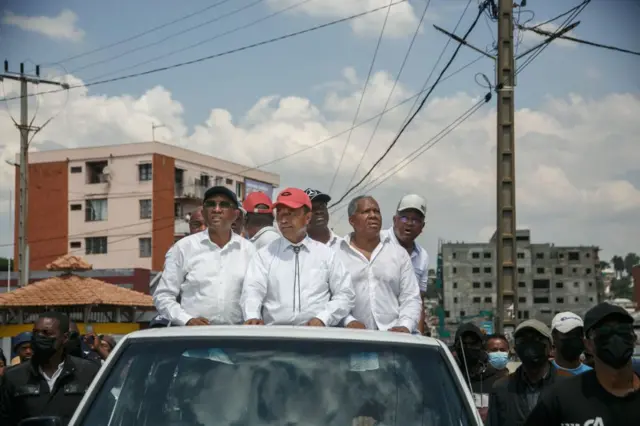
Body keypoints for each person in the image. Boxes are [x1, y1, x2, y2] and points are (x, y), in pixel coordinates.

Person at [241, 187, 355, 326]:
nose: (283, 220)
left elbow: (345, 294)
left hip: (316, 337)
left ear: (307, 217)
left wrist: (323, 318)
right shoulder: (264, 255)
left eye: (290, 214)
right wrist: (252, 315)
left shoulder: (326, 255)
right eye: (280, 215)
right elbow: (252, 291)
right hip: (275, 337)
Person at [154, 186, 257, 326]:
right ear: (203, 212)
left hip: (236, 338)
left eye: (224, 205)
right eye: (210, 204)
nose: (216, 209)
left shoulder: (250, 251)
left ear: (235, 214)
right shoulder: (184, 248)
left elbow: (256, 293)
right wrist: (186, 320)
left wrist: (252, 317)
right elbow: (163, 296)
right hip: (195, 339)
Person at [525, 303, 640, 425]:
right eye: (605, 332)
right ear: (588, 345)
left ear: (633, 337)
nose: (615, 337)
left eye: (623, 330)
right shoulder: (560, 397)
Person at [335, 195, 421, 333]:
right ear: (352, 220)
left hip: (392, 338)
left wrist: (405, 325)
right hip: (349, 339)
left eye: (376, 211)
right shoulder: (336, 253)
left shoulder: (399, 254)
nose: (373, 215)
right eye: (366, 212)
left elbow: (410, 297)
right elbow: (330, 296)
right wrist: (348, 321)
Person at [0, 312, 100, 426]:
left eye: (46, 333)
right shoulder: (13, 376)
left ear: (65, 338)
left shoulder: (88, 372)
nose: (40, 337)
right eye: (36, 333)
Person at [487, 319, 568, 426]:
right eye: (523, 340)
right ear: (515, 349)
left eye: (537, 339)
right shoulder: (501, 388)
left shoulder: (568, 386)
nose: (530, 344)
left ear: (551, 348)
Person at [382, 194, 429, 335]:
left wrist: (419, 337)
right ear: (394, 220)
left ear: (422, 227)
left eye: (415, 220)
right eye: (404, 218)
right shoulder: (378, 242)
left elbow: (419, 301)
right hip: (377, 328)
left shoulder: (422, 256)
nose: (409, 223)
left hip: (406, 330)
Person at [454, 323, 504, 423]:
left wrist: (490, 412)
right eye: (463, 344)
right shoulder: (451, 376)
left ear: (481, 346)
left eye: (473, 343)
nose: (468, 348)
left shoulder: (498, 378)